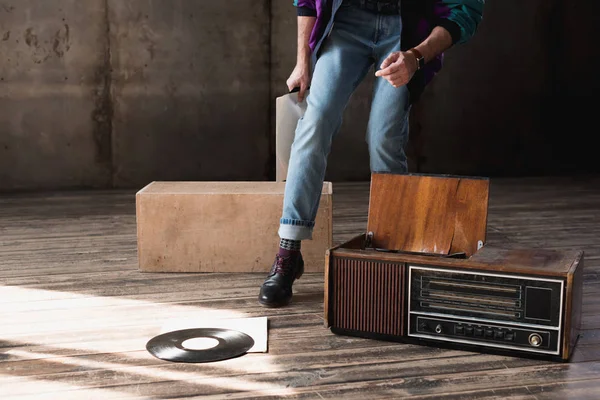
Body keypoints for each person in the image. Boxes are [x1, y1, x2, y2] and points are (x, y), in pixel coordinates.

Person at [259, 0, 485, 307]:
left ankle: (391, 256)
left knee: (384, 138)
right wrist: (303, 61)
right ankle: (288, 252)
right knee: (315, 122)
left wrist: (416, 57)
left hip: (405, 28)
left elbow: (466, 10)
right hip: (347, 20)